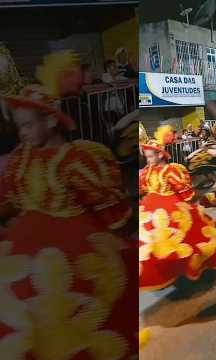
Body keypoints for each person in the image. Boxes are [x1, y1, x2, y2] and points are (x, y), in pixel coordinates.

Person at [0, 52, 137, 358]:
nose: (22, 134)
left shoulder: (77, 158)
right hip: (26, 237)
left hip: (73, 240)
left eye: (27, 126)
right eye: (19, 127)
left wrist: (119, 230)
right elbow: (8, 194)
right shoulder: (21, 158)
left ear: (50, 120)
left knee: (92, 297)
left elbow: (104, 203)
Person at [138, 124, 216, 347]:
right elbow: (144, 188)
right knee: (148, 246)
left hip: (173, 209)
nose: (149, 158)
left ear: (161, 155)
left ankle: (186, 270)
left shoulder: (174, 170)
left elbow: (187, 194)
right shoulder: (148, 172)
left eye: (152, 155)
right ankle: (165, 273)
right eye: (147, 155)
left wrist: (185, 210)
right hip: (151, 208)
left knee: (187, 242)